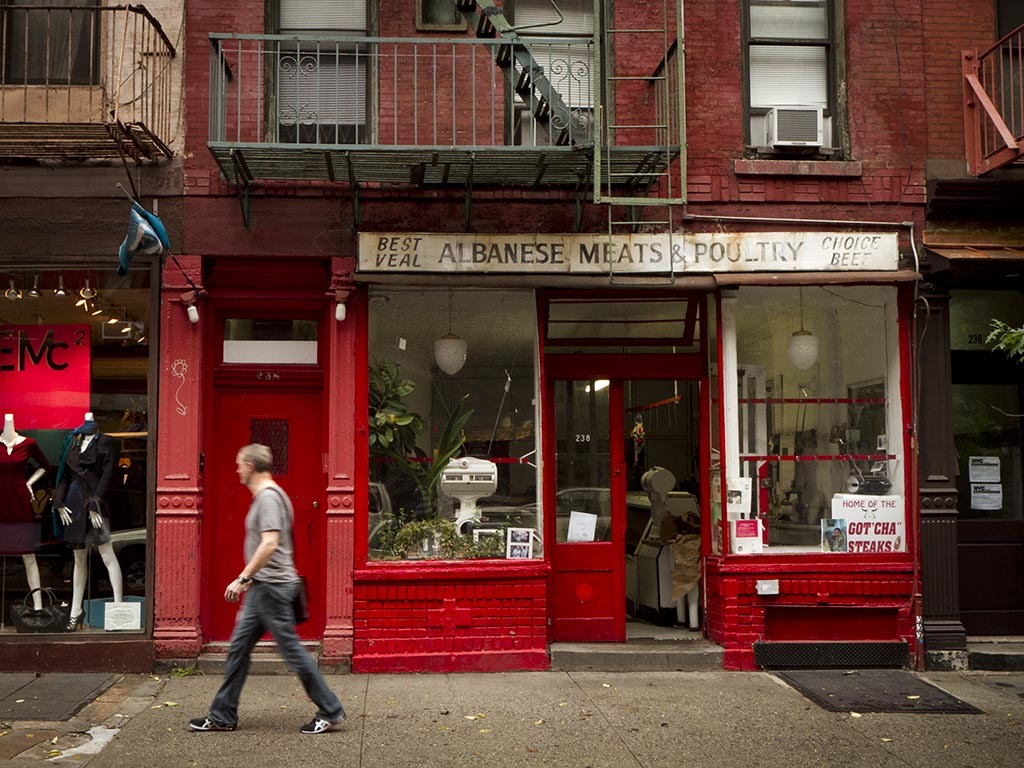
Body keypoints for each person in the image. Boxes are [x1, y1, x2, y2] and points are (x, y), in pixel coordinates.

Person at [189, 443, 345, 735]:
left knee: (292, 651)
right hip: (264, 586)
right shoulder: (270, 496)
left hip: (272, 587)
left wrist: (243, 578)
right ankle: (222, 715)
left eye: (239, 464)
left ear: (250, 466)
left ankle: (331, 710)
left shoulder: (269, 498)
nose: (237, 470)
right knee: (239, 649)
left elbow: (270, 543)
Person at [53, 412, 123, 631]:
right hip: (73, 505)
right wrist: (58, 502)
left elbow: (108, 474)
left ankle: (119, 609)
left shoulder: (105, 442)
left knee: (107, 554)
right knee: (79, 558)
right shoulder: (73, 441)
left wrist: (96, 503)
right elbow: (65, 475)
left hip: (95, 504)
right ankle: (75, 611)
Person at [0, 413, 50, 613]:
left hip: (19, 501)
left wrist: (29, 483)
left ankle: (38, 607)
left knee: (28, 554)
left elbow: (44, 465)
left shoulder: (28, 443)